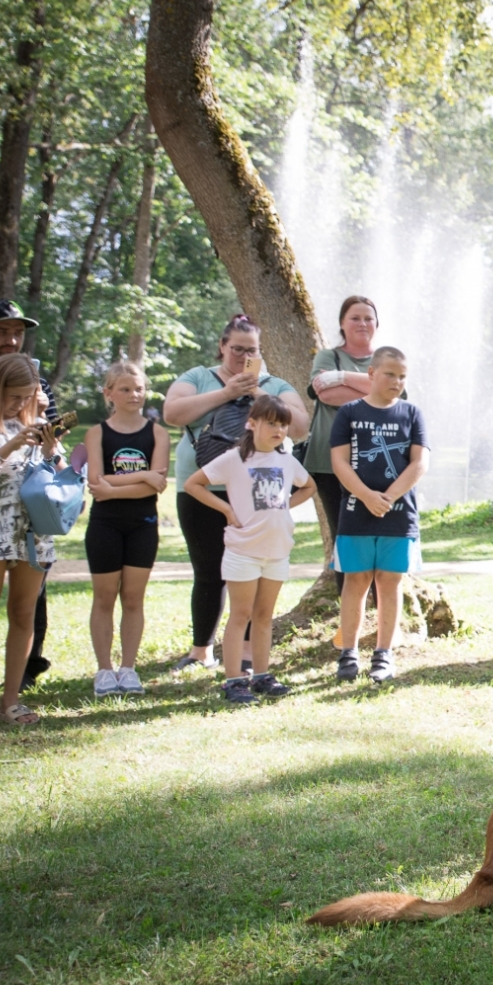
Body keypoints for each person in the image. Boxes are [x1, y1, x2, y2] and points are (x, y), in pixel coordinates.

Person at [163, 315, 308, 672]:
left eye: (251, 351)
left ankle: (246, 653)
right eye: (236, 350)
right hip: (202, 489)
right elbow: (173, 413)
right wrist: (227, 393)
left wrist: (259, 393)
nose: (243, 358)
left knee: (256, 571)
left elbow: (301, 427)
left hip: (260, 493)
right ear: (222, 347)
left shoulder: (275, 384)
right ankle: (201, 651)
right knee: (208, 569)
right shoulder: (197, 377)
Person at [186, 395, 314, 703]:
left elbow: (309, 486)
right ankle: (233, 681)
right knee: (241, 614)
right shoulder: (234, 459)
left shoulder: (286, 460)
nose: (278, 430)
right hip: (243, 551)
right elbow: (193, 484)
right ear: (252, 423)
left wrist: (286, 506)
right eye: (271, 423)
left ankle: (261, 675)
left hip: (277, 550)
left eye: (283, 424)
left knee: (264, 616)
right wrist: (227, 511)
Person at [0, 300, 59, 692]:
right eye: (13, 397)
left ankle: (11, 698)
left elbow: (50, 476)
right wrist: (5, 448)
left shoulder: (33, 419)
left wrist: (52, 452)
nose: (20, 405)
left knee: (25, 612)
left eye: (27, 397)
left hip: (31, 532)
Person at [331, 346, 429, 683]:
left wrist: (387, 497)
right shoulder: (349, 413)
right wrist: (366, 496)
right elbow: (339, 462)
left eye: (402, 376)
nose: (396, 381)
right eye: (389, 373)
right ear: (371, 373)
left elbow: (419, 462)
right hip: (356, 514)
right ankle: (348, 653)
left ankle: (383, 654)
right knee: (355, 582)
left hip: (399, 516)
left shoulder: (412, 414)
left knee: (390, 583)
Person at [83, 361, 171, 697]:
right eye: (125, 389)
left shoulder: (157, 433)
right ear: (109, 394)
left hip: (142, 525)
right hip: (105, 525)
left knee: (133, 598)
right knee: (104, 597)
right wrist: (142, 474)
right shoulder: (97, 433)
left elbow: (156, 486)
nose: (134, 395)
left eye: (138, 389)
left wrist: (117, 487)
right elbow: (95, 482)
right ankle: (104, 671)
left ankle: (128, 668)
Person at [306, 296, 379, 592]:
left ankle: (376, 604)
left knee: (375, 533)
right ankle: (346, 610)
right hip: (328, 462)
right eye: (355, 318)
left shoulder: (385, 357)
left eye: (368, 318)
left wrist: (341, 379)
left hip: (375, 463)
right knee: (343, 536)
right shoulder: (326, 357)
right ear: (341, 323)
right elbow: (324, 394)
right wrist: (376, 392)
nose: (362, 323)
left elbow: (397, 396)